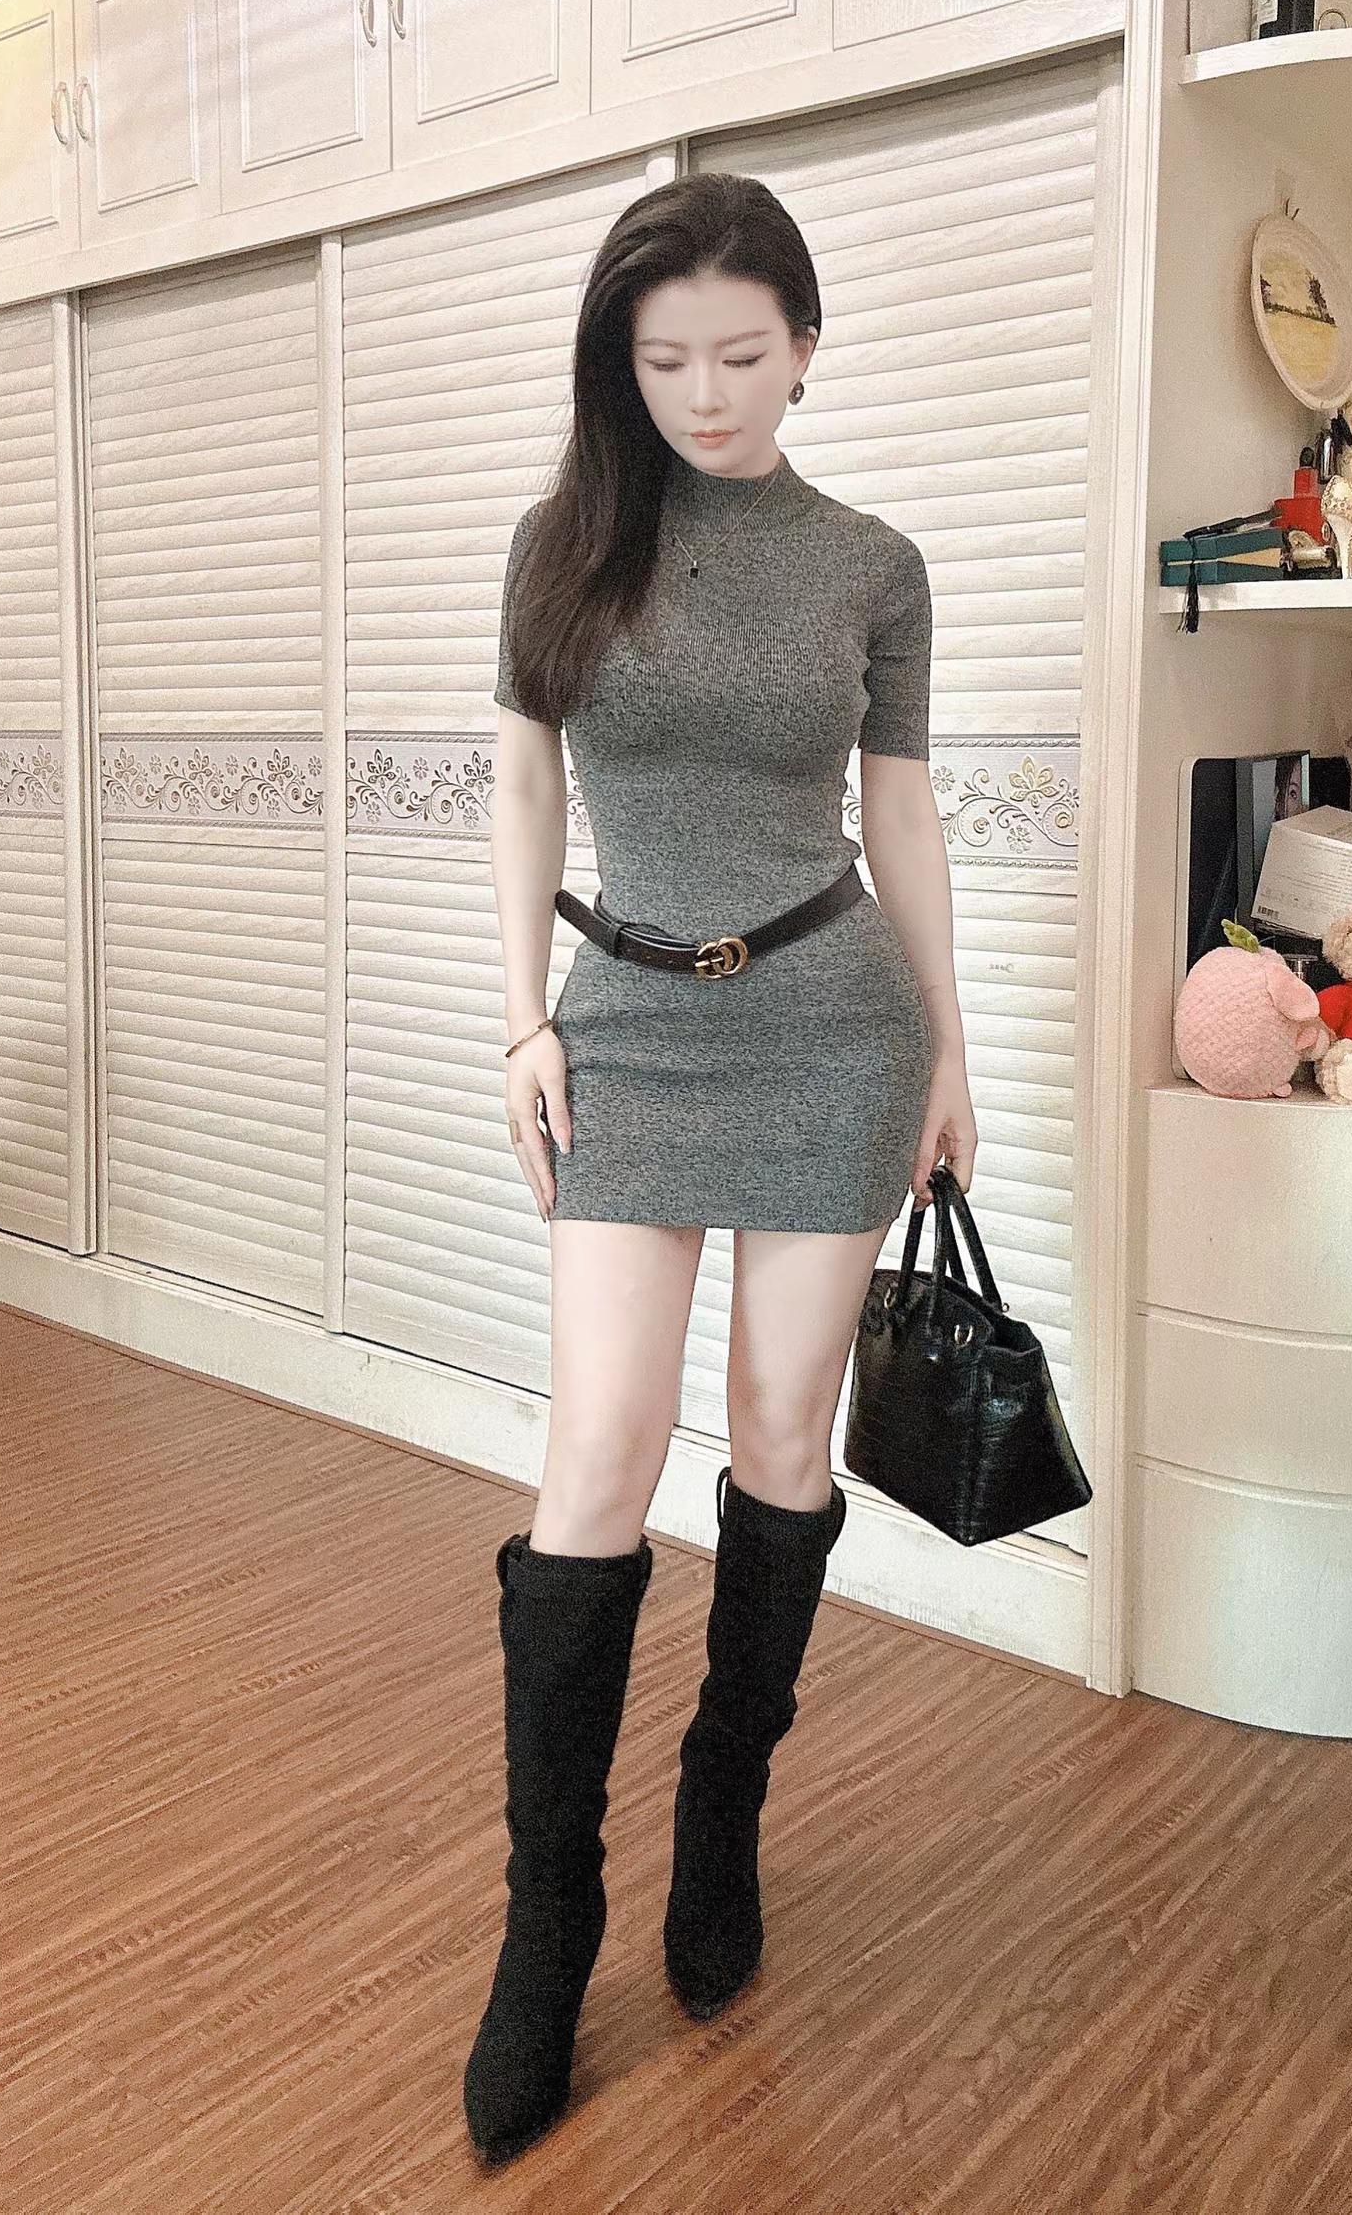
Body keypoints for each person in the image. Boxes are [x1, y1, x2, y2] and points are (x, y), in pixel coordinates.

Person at [463, 171, 977, 2168]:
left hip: (835, 1023)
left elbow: (902, 817)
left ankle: (725, 1803)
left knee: (778, 1432)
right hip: (626, 1025)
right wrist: (523, 1019)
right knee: (598, 1446)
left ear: (806, 349)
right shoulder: (566, 544)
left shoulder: (872, 566)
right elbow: (523, 777)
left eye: (740, 355)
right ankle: (547, 1921)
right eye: (663, 356)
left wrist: (950, 1054)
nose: (701, 392)